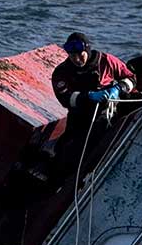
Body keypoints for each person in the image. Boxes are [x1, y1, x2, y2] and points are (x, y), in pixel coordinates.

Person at [49, 32, 136, 177]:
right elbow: (65, 98)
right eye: (72, 56)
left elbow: (131, 78)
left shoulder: (106, 61)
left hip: (105, 115)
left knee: (98, 148)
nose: (77, 59)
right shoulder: (62, 71)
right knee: (67, 150)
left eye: (80, 54)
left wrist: (118, 88)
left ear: (87, 50)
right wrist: (88, 97)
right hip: (78, 116)